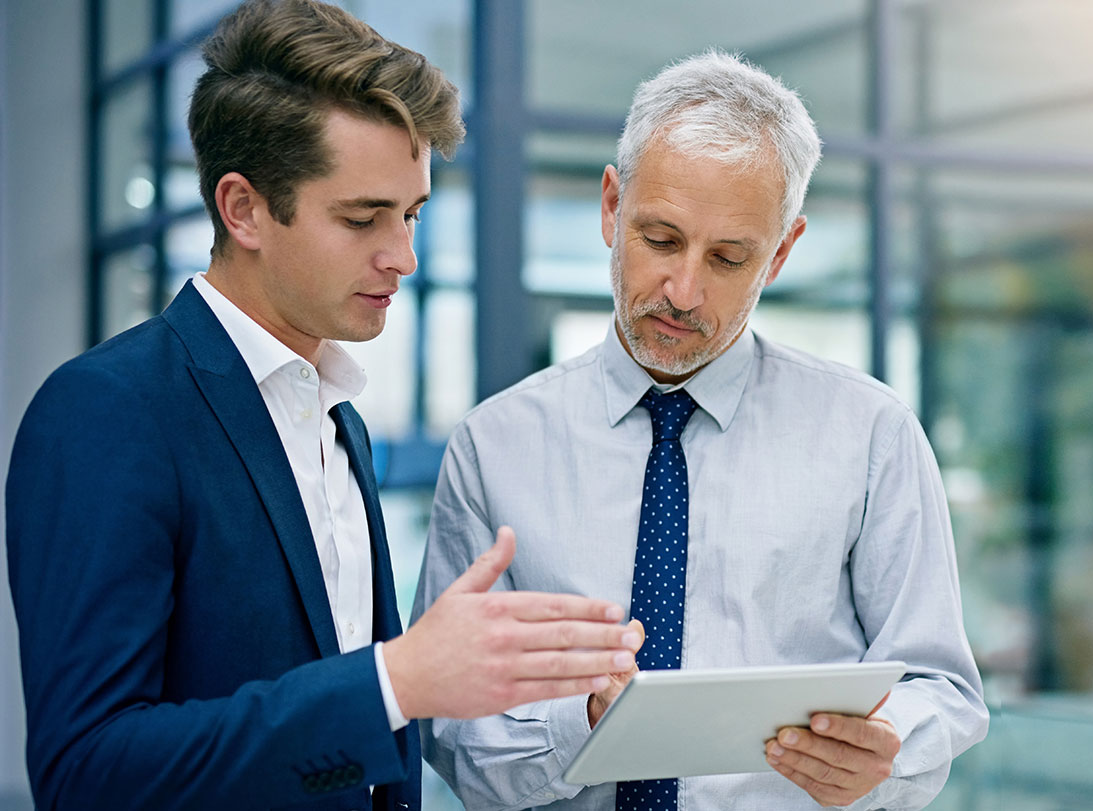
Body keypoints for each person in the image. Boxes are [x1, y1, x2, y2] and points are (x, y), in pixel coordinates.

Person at [4, 2, 636, 809]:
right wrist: (394, 681)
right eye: (362, 218)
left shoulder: (342, 420)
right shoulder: (107, 411)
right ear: (243, 209)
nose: (403, 256)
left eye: (410, 214)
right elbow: (87, 772)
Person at [413, 50, 988, 811]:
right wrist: (581, 724)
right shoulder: (495, 446)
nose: (684, 290)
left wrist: (889, 749)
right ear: (612, 208)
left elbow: (942, 689)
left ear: (780, 253)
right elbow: (451, 734)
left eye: (728, 257)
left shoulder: (871, 435)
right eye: (660, 239)